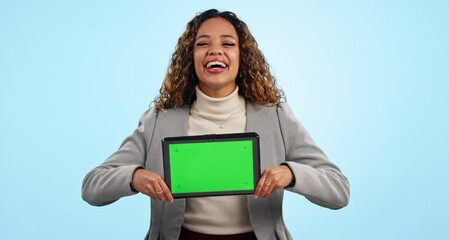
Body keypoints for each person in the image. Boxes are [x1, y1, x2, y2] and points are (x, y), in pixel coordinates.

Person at [82, 9, 350, 240]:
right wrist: (134, 177)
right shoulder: (158, 120)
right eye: (202, 43)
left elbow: (338, 191)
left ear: (242, 56)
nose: (215, 50)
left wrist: (291, 174)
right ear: (190, 58)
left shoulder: (276, 117)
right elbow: (92, 187)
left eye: (228, 43)